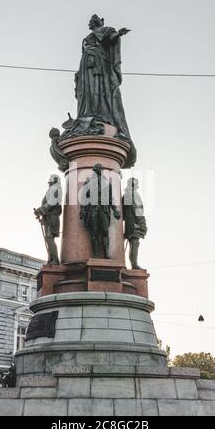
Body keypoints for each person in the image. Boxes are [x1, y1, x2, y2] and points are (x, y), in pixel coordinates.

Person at [75, 15, 136, 168]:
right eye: (90, 21)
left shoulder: (106, 30)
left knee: (98, 89)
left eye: (94, 21)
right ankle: (89, 113)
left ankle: (100, 114)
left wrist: (119, 34)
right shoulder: (87, 37)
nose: (91, 22)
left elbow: (112, 38)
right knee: (87, 92)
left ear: (100, 22)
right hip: (86, 66)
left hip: (98, 64)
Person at [80, 163, 120, 259]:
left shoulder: (107, 184)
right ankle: (96, 254)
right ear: (95, 170)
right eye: (97, 168)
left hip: (104, 209)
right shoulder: (88, 183)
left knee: (105, 231)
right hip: (93, 209)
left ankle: (106, 254)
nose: (99, 170)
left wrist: (115, 210)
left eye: (100, 168)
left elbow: (111, 199)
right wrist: (82, 209)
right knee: (94, 231)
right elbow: (84, 198)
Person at [34, 175, 62, 265]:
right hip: (48, 216)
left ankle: (55, 260)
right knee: (48, 238)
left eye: (50, 182)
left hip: (52, 217)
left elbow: (52, 202)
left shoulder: (55, 189)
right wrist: (41, 211)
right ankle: (51, 258)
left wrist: (41, 210)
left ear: (54, 181)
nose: (49, 184)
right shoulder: (51, 189)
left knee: (50, 238)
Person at [122, 178, 147, 269]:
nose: (138, 186)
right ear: (132, 185)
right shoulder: (131, 194)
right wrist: (141, 223)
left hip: (131, 221)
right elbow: (136, 209)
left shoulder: (127, 194)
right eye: (136, 184)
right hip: (134, 222)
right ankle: (134, 264)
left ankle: (134, 263)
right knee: (134, 243)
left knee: (133, 243)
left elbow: (124, 213)